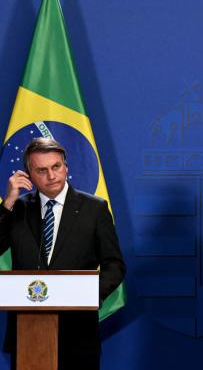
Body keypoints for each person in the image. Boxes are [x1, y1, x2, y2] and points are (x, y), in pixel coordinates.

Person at [0, 137, 126, 370]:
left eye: (56, 167)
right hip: (28, 333)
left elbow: (114, 264)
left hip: (78, 333)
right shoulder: (16, 210)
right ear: (28, 174)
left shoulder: (94, 209)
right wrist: (7, 203)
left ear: (66, 167)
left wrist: (88, 295)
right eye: (41, 170)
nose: (51, 176)